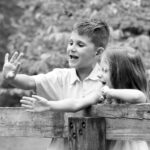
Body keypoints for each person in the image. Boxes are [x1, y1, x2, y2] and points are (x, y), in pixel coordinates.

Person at [2, 18, 110, 150]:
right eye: (70, 43)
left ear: (98, 52)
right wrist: (11, 78)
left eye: (80, 45)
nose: (72, 48)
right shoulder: (60, 76)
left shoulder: (107, 79)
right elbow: (31, 82)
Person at [21, 46, 149, 150]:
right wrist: (49, 105)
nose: (99, 74)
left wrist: (111, 92)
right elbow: (76, 104)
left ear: (121, 74)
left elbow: (139, 96)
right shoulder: (101, 94)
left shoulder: (122, 94)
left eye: (104, 70)